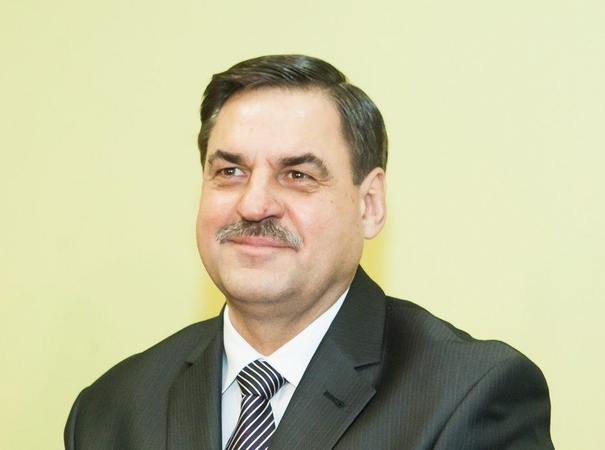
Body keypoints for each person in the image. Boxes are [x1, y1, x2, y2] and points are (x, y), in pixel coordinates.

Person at [65, 55, 554, 449]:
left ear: (369, 205)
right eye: (230, 172)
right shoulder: (111, 409)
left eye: (297, 175)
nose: (254, 204)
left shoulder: (469, 397)